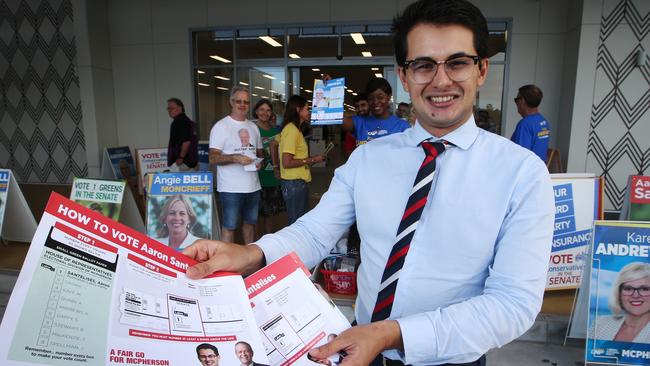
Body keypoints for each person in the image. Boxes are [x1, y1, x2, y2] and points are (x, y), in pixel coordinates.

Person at [183, 1, 554, 365]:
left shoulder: (520, 173)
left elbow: (513, 303)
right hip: (358, 346)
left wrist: (392, 333)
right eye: (423, 65)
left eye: (457, 63)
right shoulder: (368, 159)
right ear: (404, 76)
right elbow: (314, 233)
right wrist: (252, 253)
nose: (441, 80)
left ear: (482, 69)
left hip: (448, 356)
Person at [209, 86, 263, 244]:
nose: (242, 104)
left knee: (250, 224)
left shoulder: (253, 127)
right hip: (230, 188)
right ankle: (228, 262)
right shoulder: (221, 126)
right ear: (231, 102)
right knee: (229, 227)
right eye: (238, 101)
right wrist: (235, 158)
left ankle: (249, 262)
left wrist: (260, 162)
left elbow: (259, 153)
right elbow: (213, 158)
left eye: (246, 102)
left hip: (253, 186)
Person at [271, 95, 325, 225]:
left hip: (296, 183)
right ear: (298, 110)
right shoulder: (292, 131)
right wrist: (311, 160)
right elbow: (287, 162)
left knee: (299, 221)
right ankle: (293, 246)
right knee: (296, 224)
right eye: (307, 109)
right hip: (294, 184)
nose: (309, 112)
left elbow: (273, 144)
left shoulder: (292, 129)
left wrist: (275, 167)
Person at [342, 77, 410, 146]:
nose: (375, 102)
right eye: (371, 98)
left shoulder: (402, 126)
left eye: (380, 97)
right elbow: (336, 117)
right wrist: (332, 89)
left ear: (389, 97)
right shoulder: (359, 122)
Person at [592, 262, 650, 343]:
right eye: (628, 289)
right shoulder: (600, 323)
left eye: (644, 289)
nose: (636, 295)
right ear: (618, 293)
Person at [254, 99, 284, 235]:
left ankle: (267, 240)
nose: (265, 113)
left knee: (270, 213)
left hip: (273, 177)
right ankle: (256, 243)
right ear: (256, 111)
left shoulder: (276, 131)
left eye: (268, 110)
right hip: (256, 178)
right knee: (256, 214)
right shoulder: (252, 130)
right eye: (261, 109)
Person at [511, 84, 550, 162]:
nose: (516, 103)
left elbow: (520, 155)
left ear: (522, 101)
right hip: (538, 169)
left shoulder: (525, 124)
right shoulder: (543, 121)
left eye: (516, 100)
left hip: (527, 171)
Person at [166, 98, 199, 171]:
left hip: (183, 163)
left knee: (178, 181)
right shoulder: (188, 121)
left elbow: (186, 141)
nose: (169, 111)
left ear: (179, 108)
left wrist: (181, 158)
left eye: (171, 108)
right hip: (191, 162)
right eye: (168, 108)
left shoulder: (179, 122)